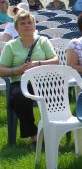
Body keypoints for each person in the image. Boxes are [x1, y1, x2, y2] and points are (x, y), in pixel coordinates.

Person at [0, 9, 59, 146]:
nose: (27, 25)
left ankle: (54, 132)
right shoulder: (11, 45)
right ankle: (34, 136)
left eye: (29, 22)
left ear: (34, 25)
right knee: (19, 98)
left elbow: (56, 60)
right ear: (17, 28)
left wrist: (38, 63)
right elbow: (1, 70)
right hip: (21, 81)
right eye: (23, 23)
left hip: (44, 81)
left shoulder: (43, 41)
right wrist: (17, 70)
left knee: (56, 96)